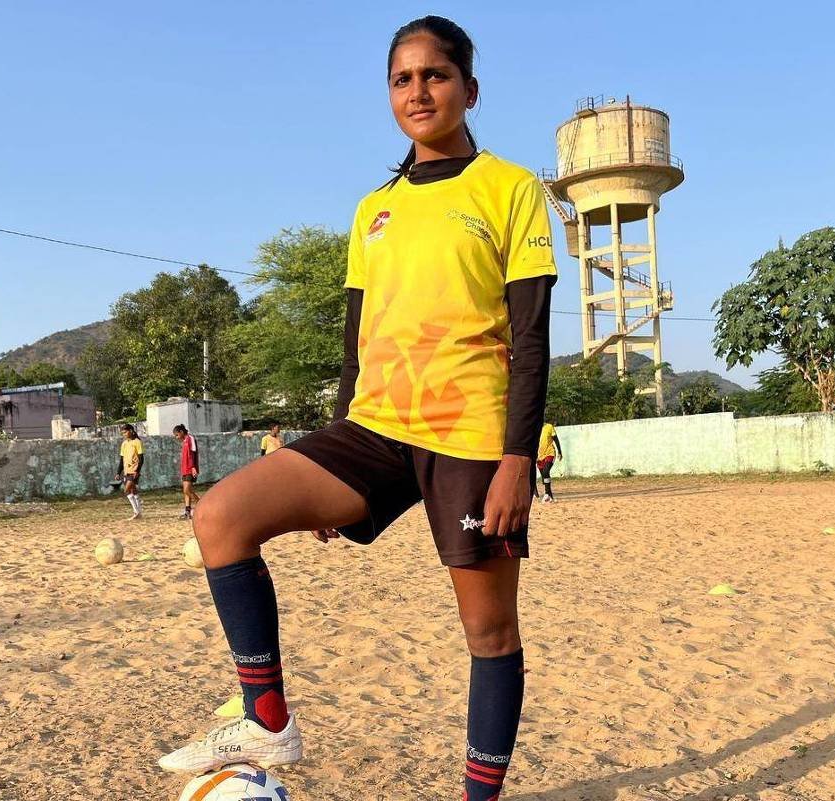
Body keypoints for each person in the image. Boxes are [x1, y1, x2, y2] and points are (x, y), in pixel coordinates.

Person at [158, 17, 555, 801]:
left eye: (435, 76)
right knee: (221, 518)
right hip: (372, 429)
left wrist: (517, 458)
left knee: (489, 634)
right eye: (402, 79)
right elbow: (356, 339)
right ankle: (267, 718)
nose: (419, 91)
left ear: (468, 90)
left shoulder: (510, 189)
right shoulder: (373, 208)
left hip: (472, 438)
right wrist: (331, 450)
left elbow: (532, 337)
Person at [117, 424, 144, 520]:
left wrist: (137, 470)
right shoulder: (124, 444)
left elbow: (141, 459)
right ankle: (139, 513)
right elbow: (121, 459)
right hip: (126, 470)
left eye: (125, 432)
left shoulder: (137, 442)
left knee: (126, 490)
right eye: (123, 433)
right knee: (133, 490)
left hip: (134, 470)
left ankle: (136, 512)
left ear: (131, 431)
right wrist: (118, 472)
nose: (124, 434)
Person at [173, 424, 200, 520]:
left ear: (181, 432)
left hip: (190, 469)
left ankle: (201, 504)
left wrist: (193, 467)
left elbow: (192, 453)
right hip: (184, 469)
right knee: (186, 492)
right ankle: (187, 511)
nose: (176, 437)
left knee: (187, 490)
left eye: (177, 435)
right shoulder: (184, 441)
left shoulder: (190, 439)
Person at [534, 421, 563, 502]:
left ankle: (547, 494)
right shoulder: (534, 428)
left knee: (546, 472)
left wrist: (560, 452)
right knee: (544, 477)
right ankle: (550, 496)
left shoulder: (549, 427)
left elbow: (556, 440)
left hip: (550, 453)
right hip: (539, 456)